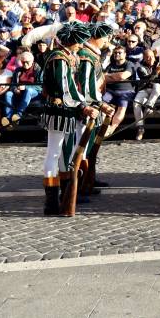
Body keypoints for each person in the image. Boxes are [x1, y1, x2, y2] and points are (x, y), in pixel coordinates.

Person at [40, 22, 98, 215]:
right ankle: (51, 200)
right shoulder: (59, 58)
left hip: (68, 109)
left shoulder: (68, 57)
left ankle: (64, 193)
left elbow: (73, 87)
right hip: (58, 110)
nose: (81, 46)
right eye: (79, 42)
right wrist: (83, 106)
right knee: (53, 153)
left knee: (65, 152)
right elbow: (65, 89)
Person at [76, 23, 116, 194]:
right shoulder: (86, 56)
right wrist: (98, 104)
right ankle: (81, 183)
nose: (107, 40)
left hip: (95, 104)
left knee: (91, 145)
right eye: (104, 36)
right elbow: (86, 86)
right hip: (87, 106)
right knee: (83, 146)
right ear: (95, 37)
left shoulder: (93, 54)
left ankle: (89, 177)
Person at [103, 45, 138, 137]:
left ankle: (111, 129)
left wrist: (110, 76)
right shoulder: (111, 65)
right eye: (115, 53)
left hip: (125, 91)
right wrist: (116, 76)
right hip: (110, 91)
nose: (117, 54)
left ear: (125, 54)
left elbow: (123, 76)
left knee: (122, 107)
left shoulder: (129, 64)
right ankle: (103, 127)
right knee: (102, 103)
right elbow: (103, 78)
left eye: (119, 53)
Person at [2, 51, 42, 125]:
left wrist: (25, 87)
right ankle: (8, 118)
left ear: (32, 61)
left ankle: (18, 115)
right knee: (8, 93)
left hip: (34, 93)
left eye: (27, 62)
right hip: (19, 92)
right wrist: (15, 89)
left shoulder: (38, 70)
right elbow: (13, 85)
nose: (25, 64)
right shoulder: (18, 70)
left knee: (29, 90)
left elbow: (40, 86)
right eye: (23, 62)